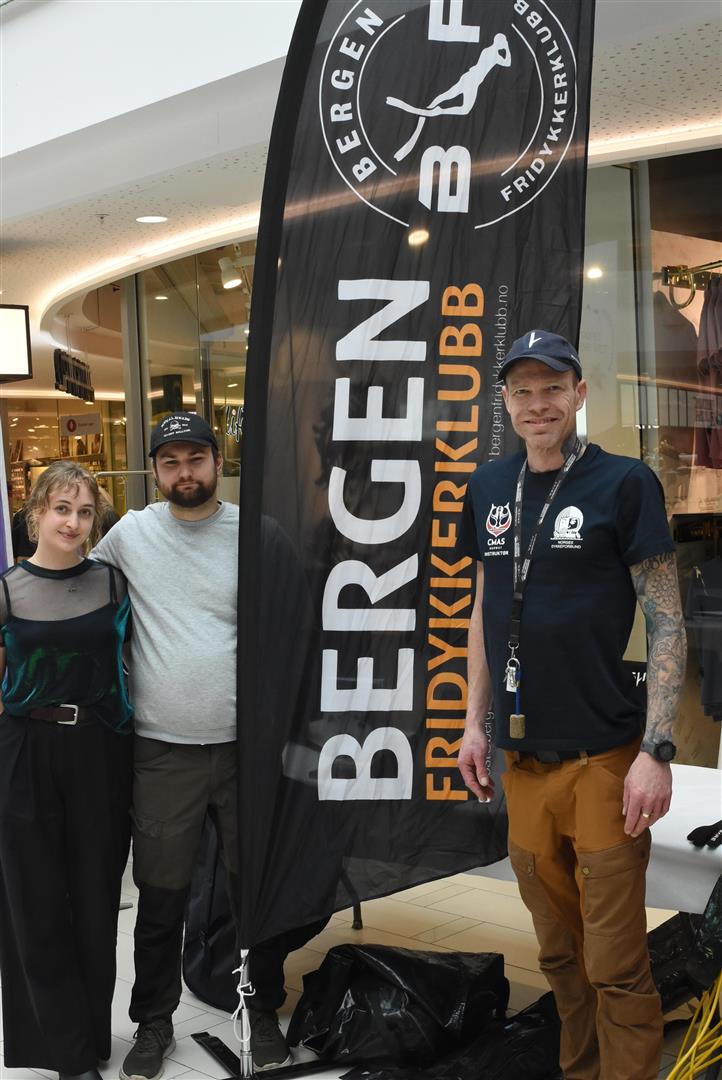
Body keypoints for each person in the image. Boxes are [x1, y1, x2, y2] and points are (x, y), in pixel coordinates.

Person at [456, 331, 686, 1080]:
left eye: (552, 388)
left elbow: (667, 619)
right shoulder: (488, 486)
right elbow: (485, 606)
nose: (538, 404)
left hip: (603, 761)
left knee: (615, 961)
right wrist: (473, 723)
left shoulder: (624, 483)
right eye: (522, 390)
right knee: (558, 953)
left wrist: (656, 751)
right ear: (505, 401)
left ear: (579, 394)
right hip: (523, 762)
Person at [92, 412, 325, 1080]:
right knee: (160, 898)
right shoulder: (130, 536)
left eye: (195, 458)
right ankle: (153, 1021)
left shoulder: (258, 536)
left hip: (249, 752)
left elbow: (299, 630)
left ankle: (260, 1010)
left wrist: (297, 731)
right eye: (170, 462)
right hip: (163, 752)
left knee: (255, 893)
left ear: (219, 463)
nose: (184, 472)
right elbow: (77, 589)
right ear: (154, 470)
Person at [0, 461, 133, 1080]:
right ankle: (66, 1052)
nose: (73, 523)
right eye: (61, 509)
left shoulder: (111, 584)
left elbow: (131, 667)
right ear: (36, 514)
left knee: (96, 896)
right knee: (37, 900)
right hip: (26, 749)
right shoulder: (8, 591)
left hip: (98, 751)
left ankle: (92, 1036)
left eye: (84, 512)